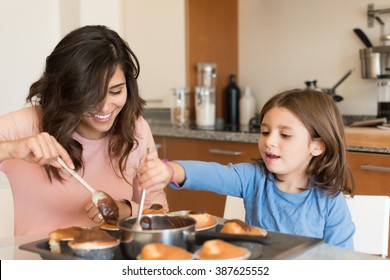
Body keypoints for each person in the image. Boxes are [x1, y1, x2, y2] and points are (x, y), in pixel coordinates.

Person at [0, 25, 168, 236]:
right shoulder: (25, 125)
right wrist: (11, 149)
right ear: (65, 89)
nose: (105, 108)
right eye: (90, 96)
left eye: (116, 91)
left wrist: (125, 210)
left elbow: (160, 214)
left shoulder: (136, 129)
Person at [140, 88, 356, 249]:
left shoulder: (329, 200)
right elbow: (214, 175)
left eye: (285, 135)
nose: (269, 141)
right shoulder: (254, 178)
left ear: (317, 145)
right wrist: (171, 171)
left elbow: (344, 261)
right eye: (265, 132)